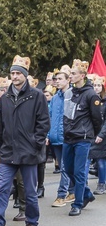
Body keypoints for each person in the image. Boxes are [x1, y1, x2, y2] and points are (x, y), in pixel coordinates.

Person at [0, 55, 50, 226]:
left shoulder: (36, 96)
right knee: (2, 187)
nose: (15, 76)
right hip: (8, 152)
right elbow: (0, 126)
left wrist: (36, 142)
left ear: (25, 75)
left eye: (18, 73)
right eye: (12, 73)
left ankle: (32, 222)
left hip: (29, 152)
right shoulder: (5, 99)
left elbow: (43, 123)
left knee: (29, 191)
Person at [61, 59, 102, 216]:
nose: (70, 76)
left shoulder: (91, 94)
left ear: (82, 75)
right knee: (68, 169)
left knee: (78, 172)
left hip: (83, 139)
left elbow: (97, 119)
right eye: (70, 73)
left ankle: (77, 204)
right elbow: (66, 114)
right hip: (68, 137)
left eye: (73, 73)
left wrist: (92, 135)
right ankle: (86, 193)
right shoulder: (69, 92)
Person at [49, 66, 75, 207]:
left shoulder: (72, 95)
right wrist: (48, 135)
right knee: (66, 167)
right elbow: (50, 116)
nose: (57, 81)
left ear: (68, 80)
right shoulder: (54, 98)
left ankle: (61, 195)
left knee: (65, 167)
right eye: (56, 79)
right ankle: (73, 191)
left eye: (60, 79)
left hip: (67, 137)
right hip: (55, 138)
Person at [91, 76, 106, 195]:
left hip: (102, 135)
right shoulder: (91, 99)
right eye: (94, 85)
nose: (96, 88)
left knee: (101, 161)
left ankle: (102, 183)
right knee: (97, 160)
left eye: (98, 85)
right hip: (92, 134)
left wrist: (101, 134)